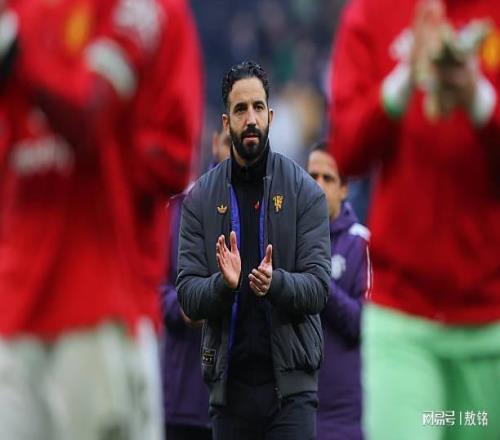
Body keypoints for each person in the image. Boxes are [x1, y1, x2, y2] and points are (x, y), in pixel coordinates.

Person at [0, 0, 203, 439]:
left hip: (101, 307)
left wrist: (17, 57)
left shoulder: (148, 10)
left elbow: (164, 157)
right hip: (13, 313)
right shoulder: (19, 12)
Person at [330, 0, 500, 439]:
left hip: (490, 321)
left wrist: (478, 99)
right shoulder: (372, 13)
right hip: (403, 319)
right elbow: (344, 150)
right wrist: (403, 81)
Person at [176, 60, 331, 440]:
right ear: (226, 122)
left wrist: (274, 283)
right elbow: (188, 294)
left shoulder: (305, 193)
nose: (251, 119)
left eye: (258, 107)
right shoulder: (199, 200)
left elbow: (319, 287)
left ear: (271, 116)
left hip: (291, 396)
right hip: (229, 396)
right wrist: (223, 285)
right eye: (241, 109)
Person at [161, 130, 230, 440]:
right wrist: (182, 309)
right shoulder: (181, 207)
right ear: (214, 143)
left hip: (247, 401)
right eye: (228, 142)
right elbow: (155, 287)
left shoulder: (273, 209)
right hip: (186, 396)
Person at [307, 142, 370, 440]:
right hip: (294, 411)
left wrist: (319, 283)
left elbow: (362, 324)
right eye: (312, 177)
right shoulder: (287, 240)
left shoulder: (361, 244)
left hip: (343, 417)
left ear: (344, 188)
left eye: (328, 178)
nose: (318, 186)